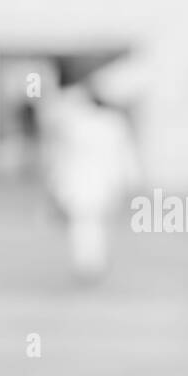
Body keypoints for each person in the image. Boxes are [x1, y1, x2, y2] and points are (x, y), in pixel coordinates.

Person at [39, 64, 141, 282]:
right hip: (101, 180)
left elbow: (60, 154)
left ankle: (88, 262)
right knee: (91, 223)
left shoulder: (77, 123)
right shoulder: (111, 124)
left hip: (83, 179)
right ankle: (91, 262)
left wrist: (54, 180)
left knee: (84, 223)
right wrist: (130, 179)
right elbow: (125, 156)